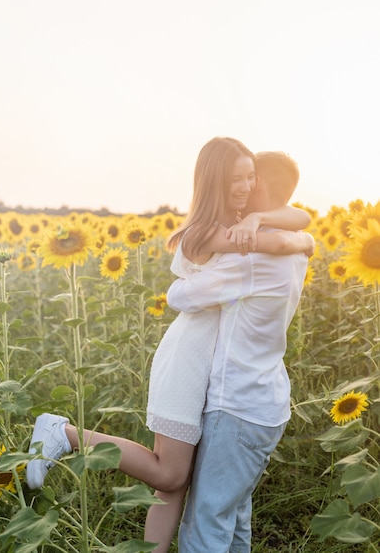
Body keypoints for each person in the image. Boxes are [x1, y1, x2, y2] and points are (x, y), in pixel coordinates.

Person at [26, 138, 312, 553]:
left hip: (218, 374)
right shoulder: (218, 236)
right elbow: (180, 295)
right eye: (237, 180)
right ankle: (65, 433)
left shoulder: (250, 236)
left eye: (252, 179)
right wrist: (296, 239)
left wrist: (281, 230)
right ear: (217, 182)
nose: (246, 188)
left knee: (176, 484)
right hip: (190, 359)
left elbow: (292, 223)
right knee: (172, 478)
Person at [166, 150, 313, 553]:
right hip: (267, 403)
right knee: (233, 518)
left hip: (237, 406)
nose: (244, 188)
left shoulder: (250, 258)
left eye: (249, 179)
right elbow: (302, 228)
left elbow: (180, 296)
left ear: (258, 185)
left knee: (205, 525)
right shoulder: (296, 248)